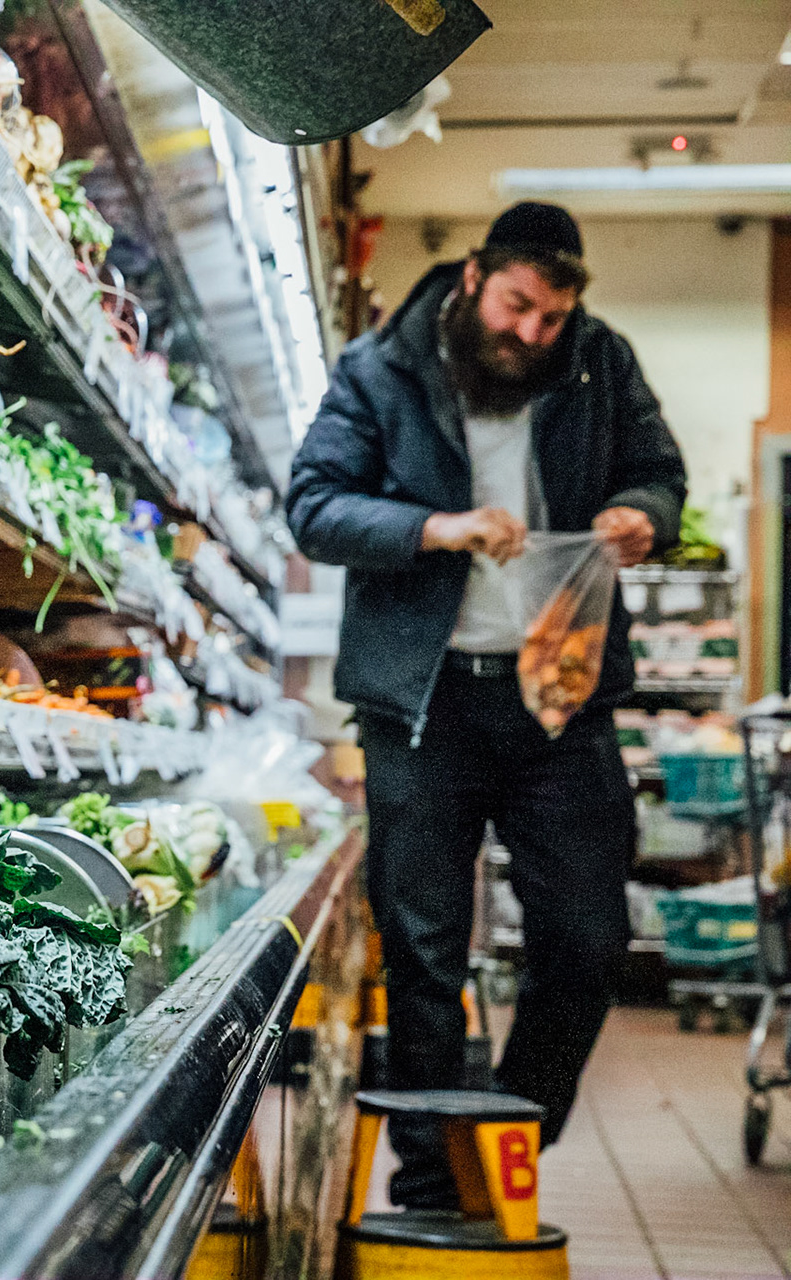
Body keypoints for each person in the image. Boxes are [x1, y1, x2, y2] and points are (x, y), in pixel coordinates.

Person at [286, 202, 687, 1210]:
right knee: (423, 946)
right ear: (474, 278)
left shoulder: (599, 362)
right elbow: (315, 504)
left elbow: (659, 472)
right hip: (423, 703)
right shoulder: (381, 368)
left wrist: (648, 517)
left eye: (553, 317)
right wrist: (439, 525)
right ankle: (430, 1178)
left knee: (589, 934)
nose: (532, 334)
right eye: (518, 307)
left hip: (561, 694)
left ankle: (511, 1123)